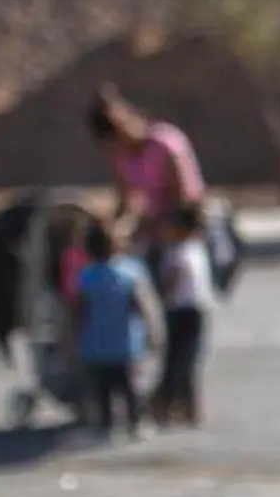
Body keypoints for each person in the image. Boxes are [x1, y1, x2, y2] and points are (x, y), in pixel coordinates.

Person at [67, 222, 165, 440]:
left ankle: (106, 423)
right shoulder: (130, 271)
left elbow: (78, 311)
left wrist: (72, 340)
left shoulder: (86, 276)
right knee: (131, 387)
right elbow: (144, 305)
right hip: (126, 343)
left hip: (95, 343)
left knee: (103, 387)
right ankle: (136, 422)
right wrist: (154, 331)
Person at [86, 85, 207, 257]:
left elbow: (184, 200)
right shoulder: (122, 158)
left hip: (181, 233)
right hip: (149, 236)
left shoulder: (164, 143)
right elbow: (126, 201)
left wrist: (151, 223)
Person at [149, 203, 215, 428]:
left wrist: (159, 297)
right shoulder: (196, 248)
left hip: (182, 310)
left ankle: (172, 405)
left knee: (180, 361)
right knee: (184, 360)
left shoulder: (178, 252)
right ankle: (183, 407)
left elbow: (173, 280)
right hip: (194, 308)